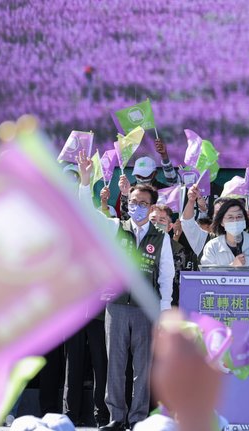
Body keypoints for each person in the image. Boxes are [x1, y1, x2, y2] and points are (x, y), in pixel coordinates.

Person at [77, 151, 175, 431]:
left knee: (143, 367)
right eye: (133, 202)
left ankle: (138, 418)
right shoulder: (115, 227)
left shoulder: (161, 237)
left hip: (146, 308)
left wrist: (164, 311)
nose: (137, 207)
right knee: (115, 365)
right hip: (117, 305)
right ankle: (116, 417)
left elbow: (166, 276)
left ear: (152, 207)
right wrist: (85, 182)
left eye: (143, 203)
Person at [63, 311, 109, 427]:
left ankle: (102, 415)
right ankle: (70, 414)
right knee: (72, 365)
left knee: (101, 366)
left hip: (99, 313)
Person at [200, 199, 249, 268]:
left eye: (239, 217)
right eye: (230, 217)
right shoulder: (212, 246)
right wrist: (231, 266)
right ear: (221, 222)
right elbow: (207, 274)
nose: (235, 221)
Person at [150, 204, 187, 306]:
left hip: (165, 301)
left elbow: (176, 279)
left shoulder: (177, 249)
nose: (156, 224)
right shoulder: (138, 240)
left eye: (161, 220)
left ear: (170, 226)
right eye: (153, 220)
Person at [180, 185, 231, 257]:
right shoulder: (203, 240)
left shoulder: (246, 240)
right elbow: (187, 223)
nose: (223, 216)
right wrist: (191, 201)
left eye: (228, 213)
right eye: (219, 213)